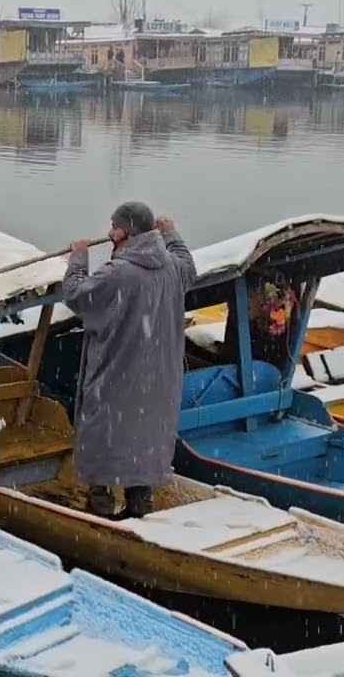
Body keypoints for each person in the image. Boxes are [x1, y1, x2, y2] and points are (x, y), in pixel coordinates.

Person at [60, 201, 197, 519]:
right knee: (143, 441)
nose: (110, 233)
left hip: (118, 377)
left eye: (115, 227)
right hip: (157, 382)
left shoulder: (118, 273)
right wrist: (171, 234)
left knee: (102, 437)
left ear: (128, 232)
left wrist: (78, 259)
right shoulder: (172, 267)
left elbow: (77, 295)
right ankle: (140, 507)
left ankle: (100, 510)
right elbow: (188, 265)